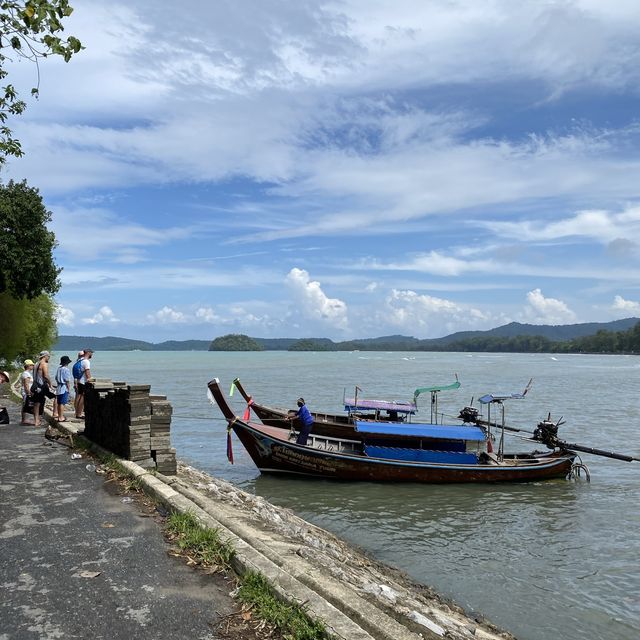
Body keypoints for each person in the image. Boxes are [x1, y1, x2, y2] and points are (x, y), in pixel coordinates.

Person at [32, 351, 53, 427]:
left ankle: (36, 421)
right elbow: (46, 376)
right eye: (48, 356)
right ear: (45, 356)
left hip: (35, 385)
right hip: (41, 386)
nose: (49, 358)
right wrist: (50, 384)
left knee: (36, 404)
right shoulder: (44, 364)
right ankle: (56, 414)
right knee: (55, 397)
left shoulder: (36, 364)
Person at [75, 349, 93, 419]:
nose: (92, 354)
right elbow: (87, 372)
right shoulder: (86, 361)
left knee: (79, 397)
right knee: (82, 398)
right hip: (83, 382)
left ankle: (77, 412)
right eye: (91, 353)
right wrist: (90, 380)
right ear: (88, 353)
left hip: (79, 381)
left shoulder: (80, 360)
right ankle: (79, 414)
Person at [53, 355, 72, 422]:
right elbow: (67, 380)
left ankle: (59, 416)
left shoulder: (59, 368)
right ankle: (61, 417)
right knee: (62, 403)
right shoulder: (66, 369)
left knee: (59, 402)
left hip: (58, 387)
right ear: (67, 362)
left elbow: (56, 377)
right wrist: (69, 389)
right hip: (63, 387)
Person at [16, 359, 35, 425]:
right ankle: (24, 420)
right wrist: (29, 393)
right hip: (26, 392)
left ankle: (24, 419)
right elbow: (26, 384)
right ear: (28, 366)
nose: (33, 366)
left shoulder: (27, 373)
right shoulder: (26, 374)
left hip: (26, 391)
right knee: (25, 405)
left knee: (25, 404)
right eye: (32, 365)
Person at [72, 350, 84, 417]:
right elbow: (79, 374)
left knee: (77, 396)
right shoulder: (81, 363)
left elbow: (75, 375)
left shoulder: (76, 364)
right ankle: (78, 412)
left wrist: (75, 383)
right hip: (80, 382)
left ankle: (76, 411)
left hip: (76, 381)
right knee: (80, 396)